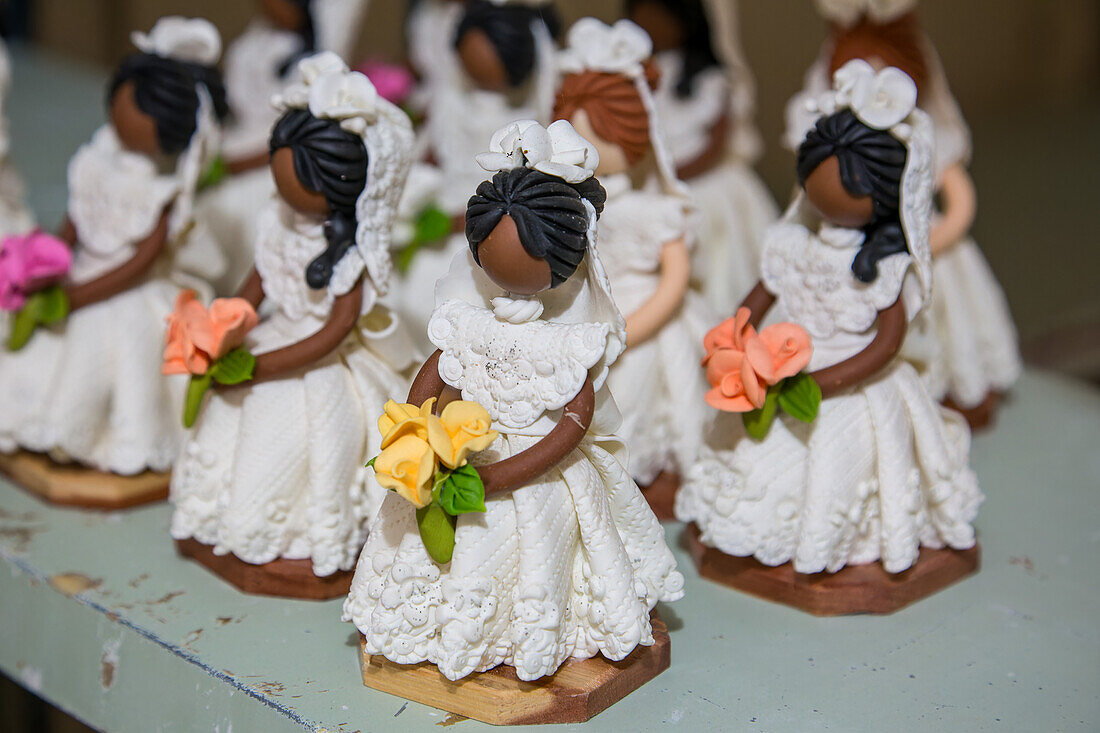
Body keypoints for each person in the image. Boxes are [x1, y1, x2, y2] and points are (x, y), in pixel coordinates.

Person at [344, 119, 684, 681]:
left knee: (544, 547)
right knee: (423, 541)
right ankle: (432, 622)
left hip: (536, 468)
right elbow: (438, 372)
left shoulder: (568, 341)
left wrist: (506, 474)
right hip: (461, 448)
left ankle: (525, 630)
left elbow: (573, 421)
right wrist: (418, 430)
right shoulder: (468, 323)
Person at [678, 61, 982, 575]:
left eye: (849, 186)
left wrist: (822, 381)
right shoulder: (792, 241)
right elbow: (763, 293)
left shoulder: (883, 265)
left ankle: (826, 536)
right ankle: (748, 523)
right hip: (780, 357)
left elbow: (887, 343)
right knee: (750, 448)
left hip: (852, 380)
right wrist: (735, 334)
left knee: (838, 458)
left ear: (885, 195)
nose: (824, 195)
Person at [169, 54, 417, 579]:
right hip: (273, 335)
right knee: (224, 417)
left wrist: (266, 365)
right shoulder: (276, 223)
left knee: (298, 434)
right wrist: (226, 324)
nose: (282, 192)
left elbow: (332, 333)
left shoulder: (350, 259)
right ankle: (225, 512)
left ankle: (297, 528)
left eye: (297, 181)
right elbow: (255, 284)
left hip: (317, 362)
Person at [0, 18, 227, 476]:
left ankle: (92, 433)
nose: (127, 118)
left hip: (122, 293)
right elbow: (76, 220)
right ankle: (37, 420)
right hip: (79, 272)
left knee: (118, 351)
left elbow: (140, 264)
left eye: (144, 113)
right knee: (43, 349)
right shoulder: (94, 163)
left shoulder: (158, 196)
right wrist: (49, 260)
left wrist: (80, 295)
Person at [785, 1, 1021, 428]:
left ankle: (951, 388)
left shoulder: (923, 147)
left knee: (942, 326)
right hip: (849, 258)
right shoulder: (836, 155)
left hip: (918, 249)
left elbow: (960, 205)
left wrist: (916, 247)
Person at [553, 18, 715, 495]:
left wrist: (625, 333)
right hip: (586, 315)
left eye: (600, 139)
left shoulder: (656, 211)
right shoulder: (571, 205)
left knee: (637, 388)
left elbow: (674, 283)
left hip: (643, 319)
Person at [197, 0, 371, 294]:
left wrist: (241, 161)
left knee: (251, 214)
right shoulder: (251, 45)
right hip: (237, 145)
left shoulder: (313, 61)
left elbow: (293, 131)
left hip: (275, 158)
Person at [626, 0, 776, 313]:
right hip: (655, 180)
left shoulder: (710, 79)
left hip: (703, 182)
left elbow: (716, 143)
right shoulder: (636, 76)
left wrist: (675, 174)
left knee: (724, 258)